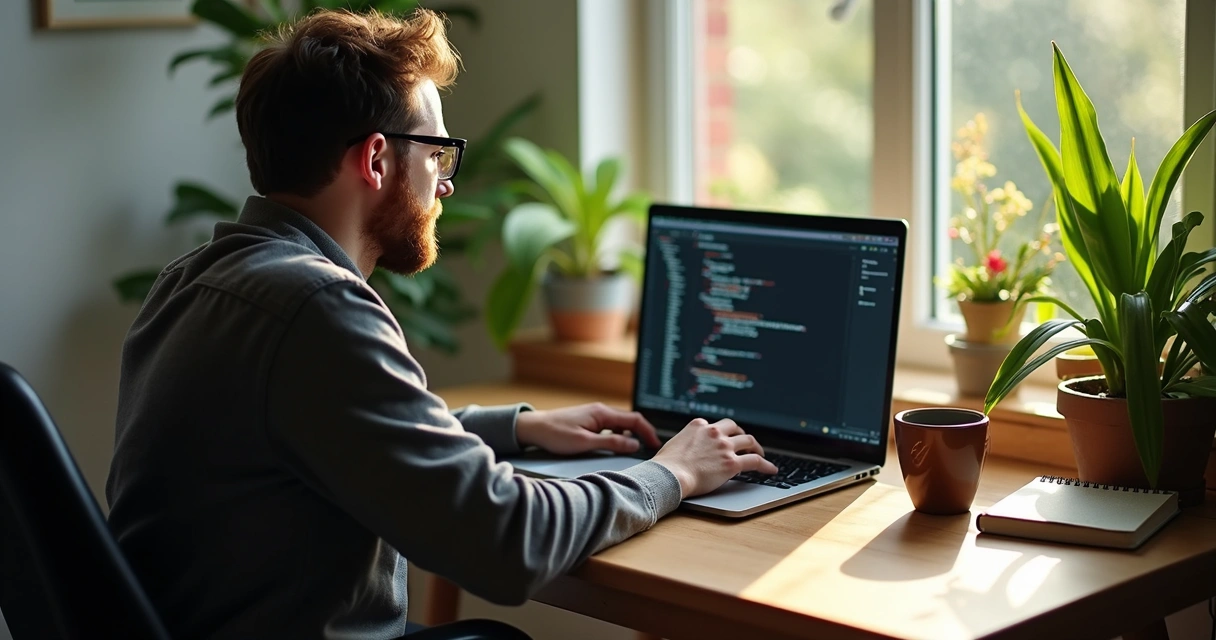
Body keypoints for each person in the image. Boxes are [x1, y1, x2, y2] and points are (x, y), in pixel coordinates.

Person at [105, 8, 778, 640]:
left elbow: (331, 432)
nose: (446, 183)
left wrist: (517, 428)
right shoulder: (316, 304)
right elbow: (508, 542)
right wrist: (673, 473)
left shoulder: (193, 280)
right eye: (436, 154)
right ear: (375, 160)